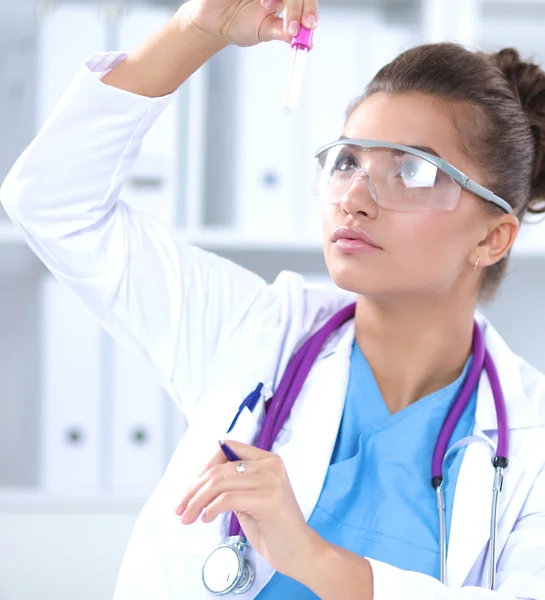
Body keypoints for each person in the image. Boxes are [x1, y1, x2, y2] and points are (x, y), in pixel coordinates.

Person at [2, 0, 545, 597]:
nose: (354, 197)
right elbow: (52, 203)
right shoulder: (255, 330)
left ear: (493, 238)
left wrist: (311, 557)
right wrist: (195, 31)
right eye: (347, 161)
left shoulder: (531, 439)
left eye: (411, 172)